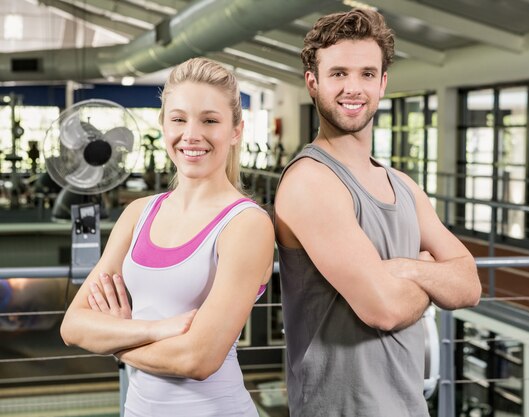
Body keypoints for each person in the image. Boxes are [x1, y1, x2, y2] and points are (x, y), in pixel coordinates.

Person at [273, 9, 482, 417]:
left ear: (383, 83)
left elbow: (469, 284)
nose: (354, 87)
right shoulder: (309, 181)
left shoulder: (402, 184)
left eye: (367, 74)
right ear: (312, 82)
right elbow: (383, 309)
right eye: (338, 74)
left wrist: (405, 268)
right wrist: (430, 272)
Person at [60, 57, 275, 417]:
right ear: (163, 125)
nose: (191, 134)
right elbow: (73, 325)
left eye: (209, 120)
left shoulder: (246, 224)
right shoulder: (138, 213)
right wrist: (157, 330)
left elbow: (199, 358)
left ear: (236, 130)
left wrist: (116, 341)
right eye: (178, 119)